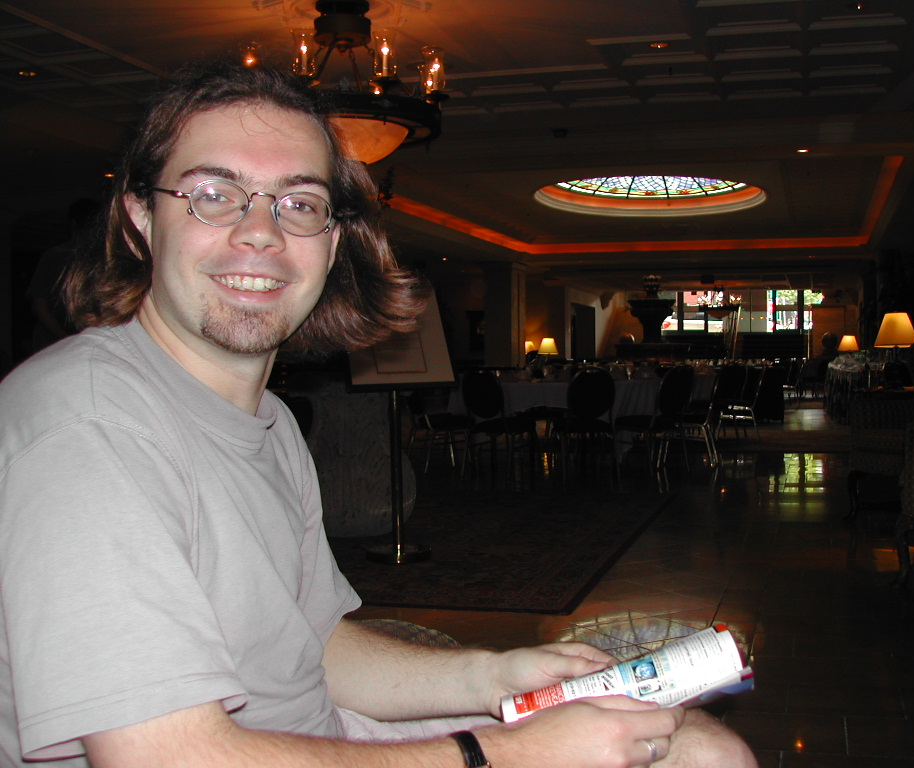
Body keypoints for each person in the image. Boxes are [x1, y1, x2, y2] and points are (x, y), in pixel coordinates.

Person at [0, 61, 755, 768]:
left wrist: (501, 674)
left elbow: (316, 644)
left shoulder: (268, 421)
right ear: (139, 219)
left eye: (299, 203)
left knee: (700, 749)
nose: (259, 233)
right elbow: (162, 757)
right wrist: (502, 753)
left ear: (331, 244)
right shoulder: (87, 429)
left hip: (309, 733)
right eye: (212, 194)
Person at [24, 197, 100, 352]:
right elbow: (39, 305)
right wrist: (64, 338)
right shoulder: (55, 256)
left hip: (87, 342)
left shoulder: (104, 260)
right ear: (75, 226)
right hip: (53, 345)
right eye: (90, 228)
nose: (93, 235)